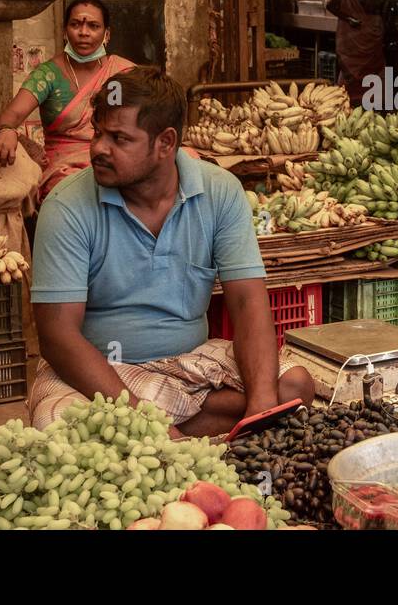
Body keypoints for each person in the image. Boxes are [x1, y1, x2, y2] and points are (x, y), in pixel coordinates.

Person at [27, 66, 315, 434]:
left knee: (291, 387)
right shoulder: (66, 206)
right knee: (63, 427)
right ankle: (174, 424)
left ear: (165, 143)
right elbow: (58, 337)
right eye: (97, 132)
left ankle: (173, 423)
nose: (99, 147)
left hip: (188, 362)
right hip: (99, 369)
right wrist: (147, 424)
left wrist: (260, 411)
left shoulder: (220, 192)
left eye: (119, 138)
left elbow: (247, 303)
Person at [0, 0, 135, 203]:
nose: (83, 32)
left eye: (93, 26)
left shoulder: (121, 74)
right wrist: (6, 130)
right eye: (75, 24)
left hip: (114, 158)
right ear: (64, 32)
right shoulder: (48, 74)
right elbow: (11, 116)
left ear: (107, 34)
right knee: (74, 196)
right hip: (64, 168)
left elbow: (142, 120)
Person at [326, 0, 386, 106]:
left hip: (348, 36)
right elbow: (369, 5)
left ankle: (345, 98)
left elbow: (331, 6)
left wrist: (347, 18)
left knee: (349, 70)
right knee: (370, 69)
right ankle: (370, 100)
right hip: (365, 34)